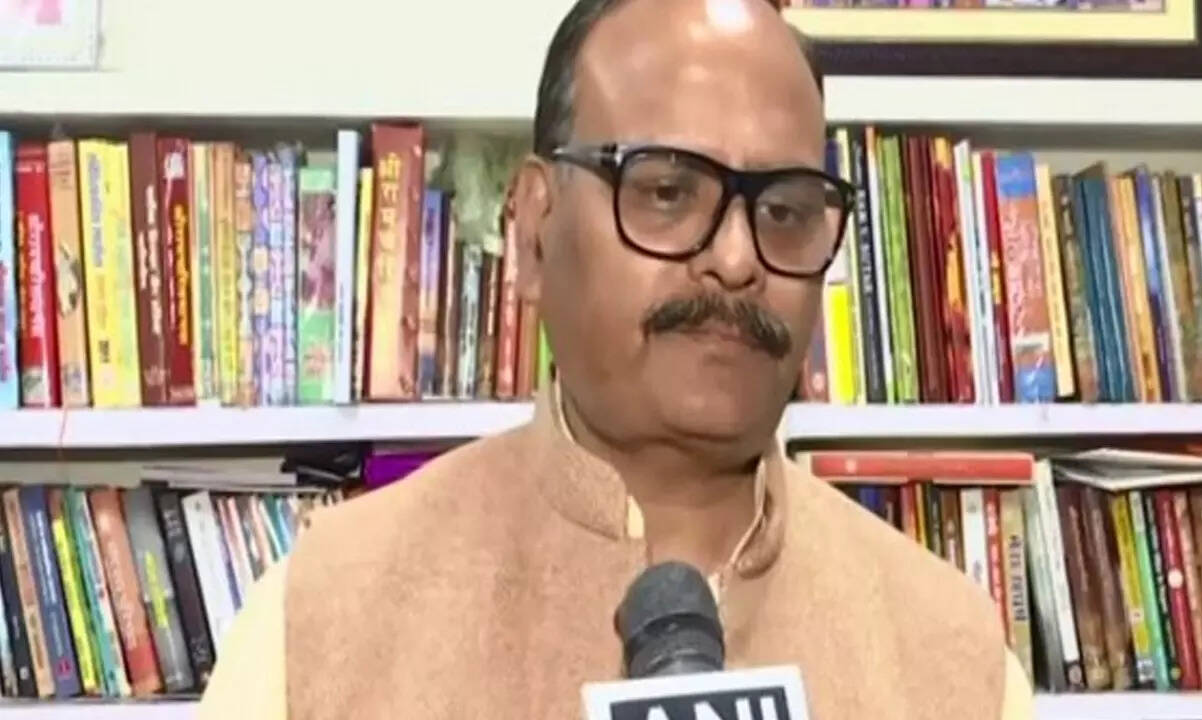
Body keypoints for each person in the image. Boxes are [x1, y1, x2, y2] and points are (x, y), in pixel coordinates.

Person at [199, 1, 1033, 717]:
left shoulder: (953, 656)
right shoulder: (320, 619)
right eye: (667, 191)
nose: (737, 259)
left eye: (785, 210)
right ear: (534, 231)